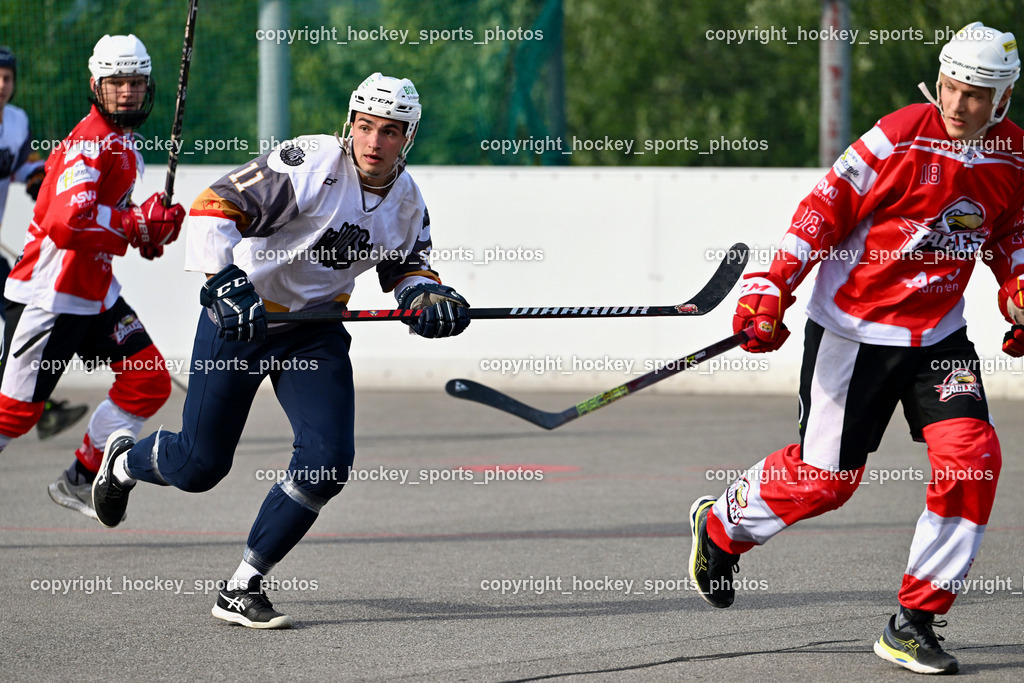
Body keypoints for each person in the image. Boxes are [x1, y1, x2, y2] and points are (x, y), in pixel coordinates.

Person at [688, 22, 1023, 676]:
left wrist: (1019, 286)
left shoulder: (1016, 156)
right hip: (853, 333)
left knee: (973, 456)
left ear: (1004, 97)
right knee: (827, 482)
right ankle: (723, 525)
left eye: (976, 95)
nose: (958, 105)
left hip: (938, 338)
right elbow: (823, 209)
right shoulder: (898, 135)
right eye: (951, 87)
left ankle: (914, 620)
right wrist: (768, 288)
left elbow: (1011, 234)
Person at [92, 72, 471, 629]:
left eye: (389, 132)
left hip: (314, 332)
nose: (373, 142)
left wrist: (432, 300)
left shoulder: (407, 201)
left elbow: (407, 272)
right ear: (350, 124)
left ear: (407, 138)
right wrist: (224, 282)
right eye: (365, 126)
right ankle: (124, 463)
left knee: (328, 464)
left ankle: (243, 585)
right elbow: (211, 208)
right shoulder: (313, 163)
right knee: (199, 468)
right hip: (242, 320)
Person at [0, 35, 184, 520]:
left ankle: (80, 479)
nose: (127, 91)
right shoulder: (89, 143)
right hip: (51, 297)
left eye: (137, 82)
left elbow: (114, 224)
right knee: (13, 418)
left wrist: (149, 230)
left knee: (148, 383)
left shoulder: (127, 144)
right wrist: (133, 226)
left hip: (97, 294)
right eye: (116, 82)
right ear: (95, 85)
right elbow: (67, 222)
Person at [0, 45, 90, 440]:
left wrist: (46, 183)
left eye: (8, 78)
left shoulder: (17, 121)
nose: (2, 85)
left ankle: (34, 403)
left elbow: (24, 168)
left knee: (17, 316)